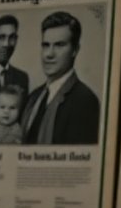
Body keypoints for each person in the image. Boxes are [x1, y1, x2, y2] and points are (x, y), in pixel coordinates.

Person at [20, 11, 100, 145]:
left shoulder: (85, 100)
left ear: (75, 50)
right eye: (46, 45)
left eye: (59, 45)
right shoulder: (34, 97)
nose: (49, 54)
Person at [0, 14, 30, 120]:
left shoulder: (22, 78)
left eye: (12, 38)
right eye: (1, 37)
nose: (6, 44)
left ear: (16, 40)